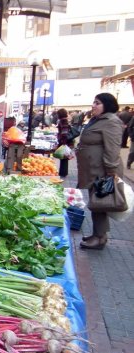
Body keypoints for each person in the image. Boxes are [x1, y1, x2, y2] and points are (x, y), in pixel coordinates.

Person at [76, 93, 123, 250]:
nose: (93, 105)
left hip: (103, 171)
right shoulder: (98, 120)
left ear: (107, 105)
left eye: (97, 103)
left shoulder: (111, 122)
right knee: (97, 203)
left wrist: (111, 172)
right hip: (93, 169)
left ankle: (99, 237)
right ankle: (98, 234)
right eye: (93, 102)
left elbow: (113, 149)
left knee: (100, 204)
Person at [56, 108, 74, 178]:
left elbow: (64, 133)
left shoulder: (63, 121)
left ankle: (63, 172)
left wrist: (63, 142)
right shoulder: (64, 120)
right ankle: (63, 172)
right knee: (64, 157)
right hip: (64, 141)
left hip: (64, 141)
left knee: (63, 157)